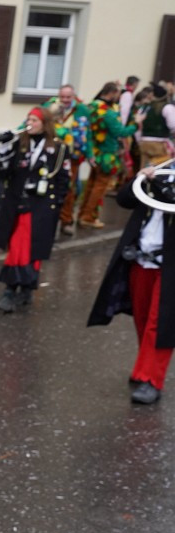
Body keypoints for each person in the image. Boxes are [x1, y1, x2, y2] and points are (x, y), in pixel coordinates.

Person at [88, 167, 175, 405]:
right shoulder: (160, 170)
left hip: (169, 265)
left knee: (162, 322)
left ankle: (151, 379)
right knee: (143, 317)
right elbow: (125, 200)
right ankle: (144, 368)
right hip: (140, 258)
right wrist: (140, 177)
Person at [0, 107, 71, 313]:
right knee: (19, 248)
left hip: (41, 208)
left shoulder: (59, 149)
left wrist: (55, 207)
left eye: (35, 120)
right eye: (28, 119)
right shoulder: (19, 144)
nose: (30, 123)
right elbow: (2, 173)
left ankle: (18, 289)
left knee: (30, 250)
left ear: (45, 123)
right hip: (18, 205)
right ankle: (17, 288)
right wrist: (4, 146)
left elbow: (63, 180)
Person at [79, 82, 145, 230]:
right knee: (100, 187)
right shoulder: (107, 112)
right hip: (106, 154)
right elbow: (120, 132)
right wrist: (136, 124)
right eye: (118, 94)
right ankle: (88, 217)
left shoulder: (92, 106)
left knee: (92, 184)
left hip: (94, 152)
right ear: (112, 93)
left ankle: (83, 214)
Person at [45, 84, 93, 236]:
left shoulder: (82, 110)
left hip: (72, 155)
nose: (65, 100)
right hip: (50, 153)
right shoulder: (49, 106)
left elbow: (88, 133)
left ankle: (66, 221)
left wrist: (90, 154)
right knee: (48, 186)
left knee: (69, 188)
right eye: (62, 97)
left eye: (68, 97)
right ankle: (47, 219)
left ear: (74, 96)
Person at [137, 82, 175, 168]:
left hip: (144, 143)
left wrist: (140, 140)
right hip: (159, 144)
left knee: (144, 170)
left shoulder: (144, 107)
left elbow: (138, 126)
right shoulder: (167, 107)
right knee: (160, 171)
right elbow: (173, 126)